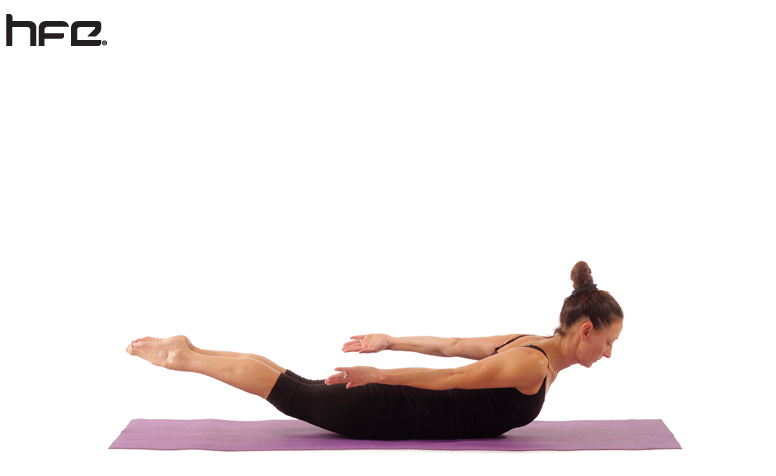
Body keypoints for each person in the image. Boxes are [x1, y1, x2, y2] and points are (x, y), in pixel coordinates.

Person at [126, 261, 623, 440]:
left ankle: (189, 350)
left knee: (292, 384)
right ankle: (182, 358)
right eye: (607, 342)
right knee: (289, 392)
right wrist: (381, 372)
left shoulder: (528, 343)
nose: (607, 353)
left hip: (396, 400)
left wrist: (391, 340)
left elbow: (452, 347)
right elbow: (451, 377)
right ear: (584, 330)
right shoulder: (530, 366)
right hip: (392, 408)